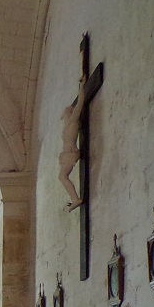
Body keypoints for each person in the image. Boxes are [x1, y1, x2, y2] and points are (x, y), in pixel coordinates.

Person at [59, 73, 94, 210]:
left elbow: (80, 102)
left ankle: (75, 199)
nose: (64, 116)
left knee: (62, 176)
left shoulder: (73, 121)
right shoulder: (68, 125)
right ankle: (75, 198)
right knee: (62, 176)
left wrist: (82, 86)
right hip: (67, 154)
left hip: (71, 153)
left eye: (66, 113)